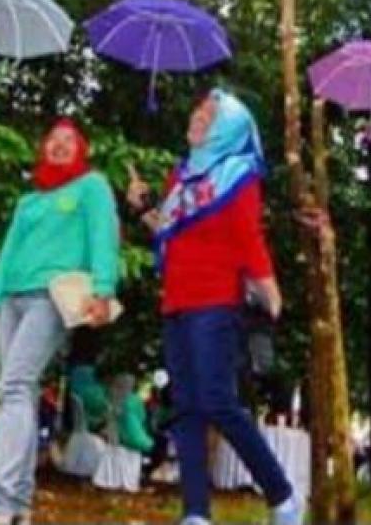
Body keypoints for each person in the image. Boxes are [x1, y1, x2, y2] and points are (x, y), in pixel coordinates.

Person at [127, 88, 303, 525]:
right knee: (185, 408)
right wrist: (142, 207)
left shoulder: (238, 174)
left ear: (229, 129)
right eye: (199, 110)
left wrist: (270, 291)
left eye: (210, 114)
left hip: (216, 302)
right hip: (176, 302)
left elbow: (248, 237)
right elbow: (168, 232)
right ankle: (196, 513)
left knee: (217, 402)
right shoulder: (181, 174)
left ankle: (282, 496)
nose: (198, 117)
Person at [0, 118, 121, 525]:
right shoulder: (28, 202)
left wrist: (103, 290)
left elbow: (103, 238)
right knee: (16, 393)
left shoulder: (91, 186)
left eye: (68, 140)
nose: (59, 145)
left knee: (15, 387)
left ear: (82, 149)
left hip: (51, 297)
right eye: (52, 140)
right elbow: (7, 256)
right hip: (12, 299)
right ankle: (16, 507)